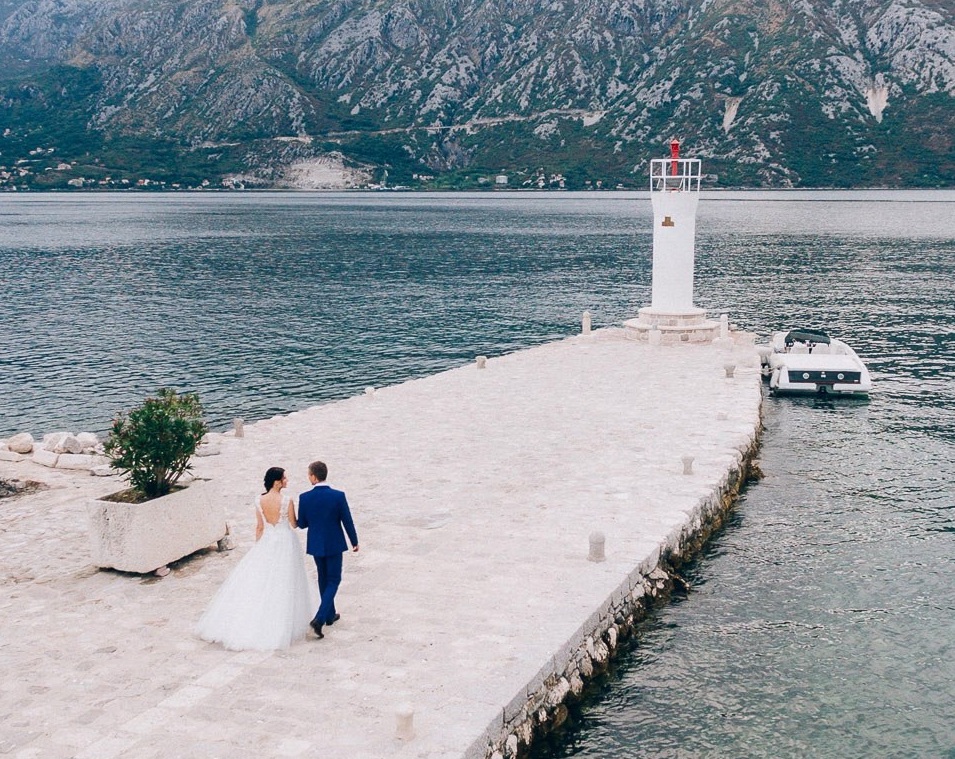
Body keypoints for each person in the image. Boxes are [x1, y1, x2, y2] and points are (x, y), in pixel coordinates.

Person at [196, 467, 315, 650]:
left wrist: (259, 546)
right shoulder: (287, 500)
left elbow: (259, 527)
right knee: (286, 579)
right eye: (284, 478)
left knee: (263, 578)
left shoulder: (259, 500)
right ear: (277, 481)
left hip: (268, 540)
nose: (287, 480)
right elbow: (293, 523)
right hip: (285, 540)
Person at [297, 460, 359, 639]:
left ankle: (330, 614)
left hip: (316, 544)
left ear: (314, 477)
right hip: (334, 543)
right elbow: (347, 520)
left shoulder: (305, 497)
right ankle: (320, 617)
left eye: (309, 475)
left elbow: (302, 524)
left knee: (323, 578)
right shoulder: (338, 496)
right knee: (334, 579)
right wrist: (354, 540)